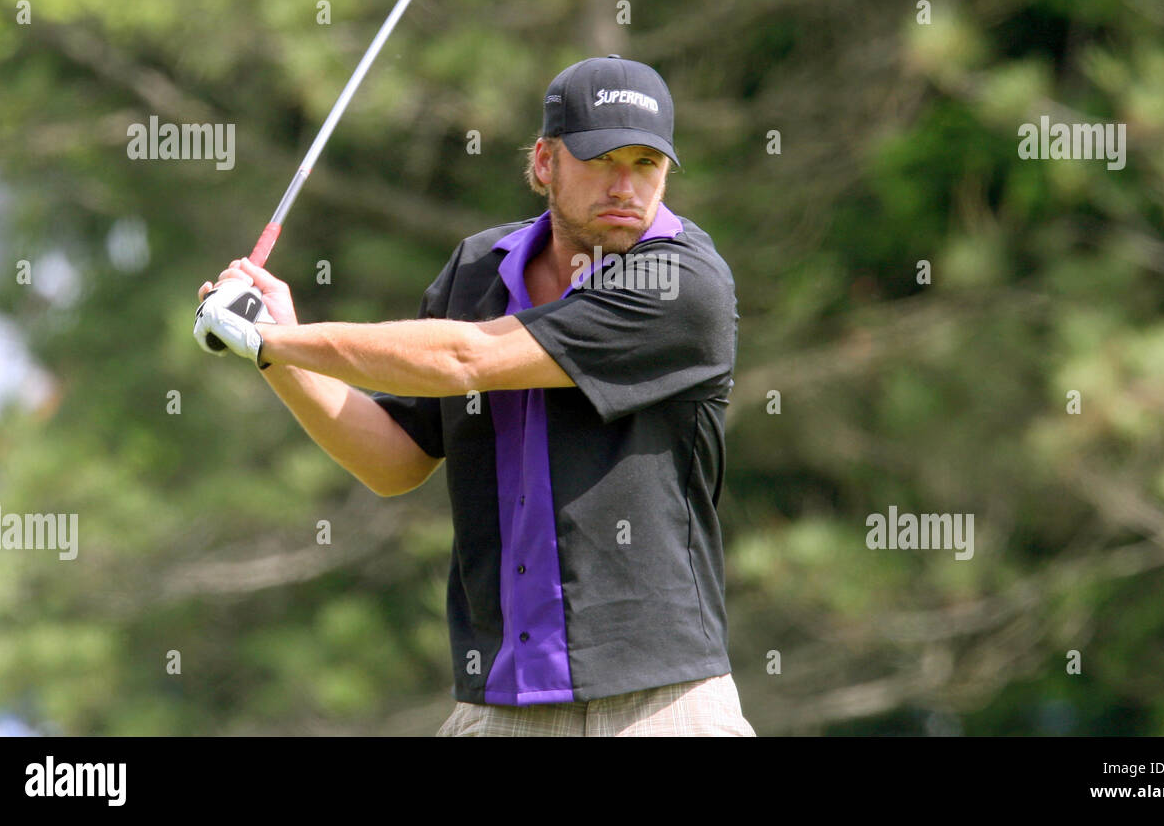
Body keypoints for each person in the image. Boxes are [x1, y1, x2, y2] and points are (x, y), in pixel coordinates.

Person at [195, 55, 755, 736]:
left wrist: (279, 341)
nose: (626, 185)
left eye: (647, 163)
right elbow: (393, 461)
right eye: (603, 158)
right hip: (498, 703)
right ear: (545, 162)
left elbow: (470, 357)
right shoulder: (476, 271)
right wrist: (273, 351)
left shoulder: (682, 282)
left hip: (660, 705)